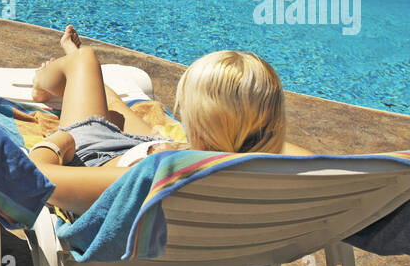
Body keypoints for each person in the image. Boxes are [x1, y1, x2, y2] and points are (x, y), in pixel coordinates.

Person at [26, 25, 311, 214]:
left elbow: (41, 179)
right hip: (155, 149)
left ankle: (49, 78)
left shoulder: (154, 177)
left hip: (95, 153)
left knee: (85, 61)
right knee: (112, 103)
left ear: (198, 122)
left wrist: (55, 143)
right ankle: (70, 71)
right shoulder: (278, 168)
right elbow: (315, 162)